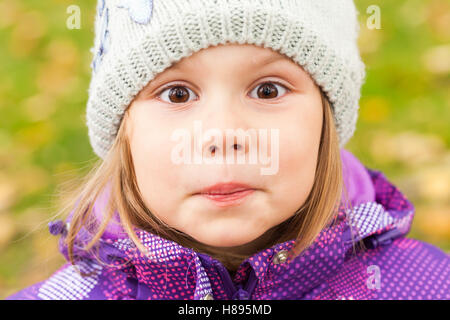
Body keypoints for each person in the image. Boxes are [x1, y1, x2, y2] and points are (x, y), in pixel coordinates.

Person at [6, 0, 449, 300]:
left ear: (325, 121)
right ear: (125, 134)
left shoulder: (427, 286)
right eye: (177, 94)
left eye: (268, 89)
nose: (222, 134)